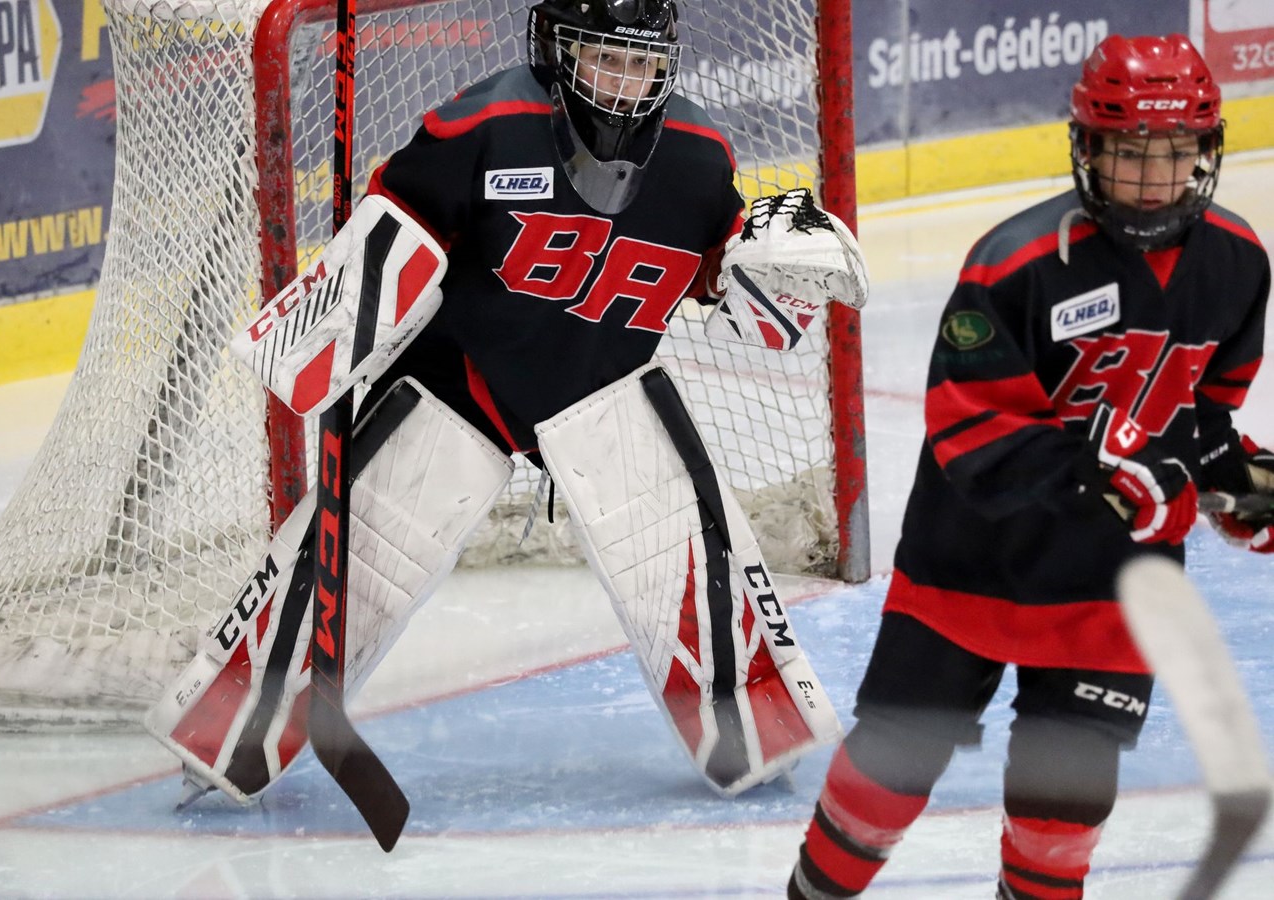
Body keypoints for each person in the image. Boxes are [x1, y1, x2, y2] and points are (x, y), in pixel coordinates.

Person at [148, 0, 867, 809]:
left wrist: (762, 264)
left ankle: (756, 730)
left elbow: (720, 277)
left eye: (642, 65)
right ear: (554, 52)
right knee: (351, 560)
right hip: (463, 386)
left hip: (599, 391)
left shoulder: (698, 159)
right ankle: (226, 731)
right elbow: (393, 232)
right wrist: (336, 321)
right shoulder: (480, 128)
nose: (626, 84)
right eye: (604, 59)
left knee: (697, 562)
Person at [787, 33, 1271, 900]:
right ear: (1086, 149)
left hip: (1114, 590)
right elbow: (972, 437)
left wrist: (1237, 483)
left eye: (1175, 154)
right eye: (1129, 154)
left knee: (1062, 816)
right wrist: (1103, 468)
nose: (1154, 179)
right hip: (967, 565)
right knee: (882, 783)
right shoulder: (1010, 264)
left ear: (1208, 152)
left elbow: (1201, 417)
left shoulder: (1237, 264)